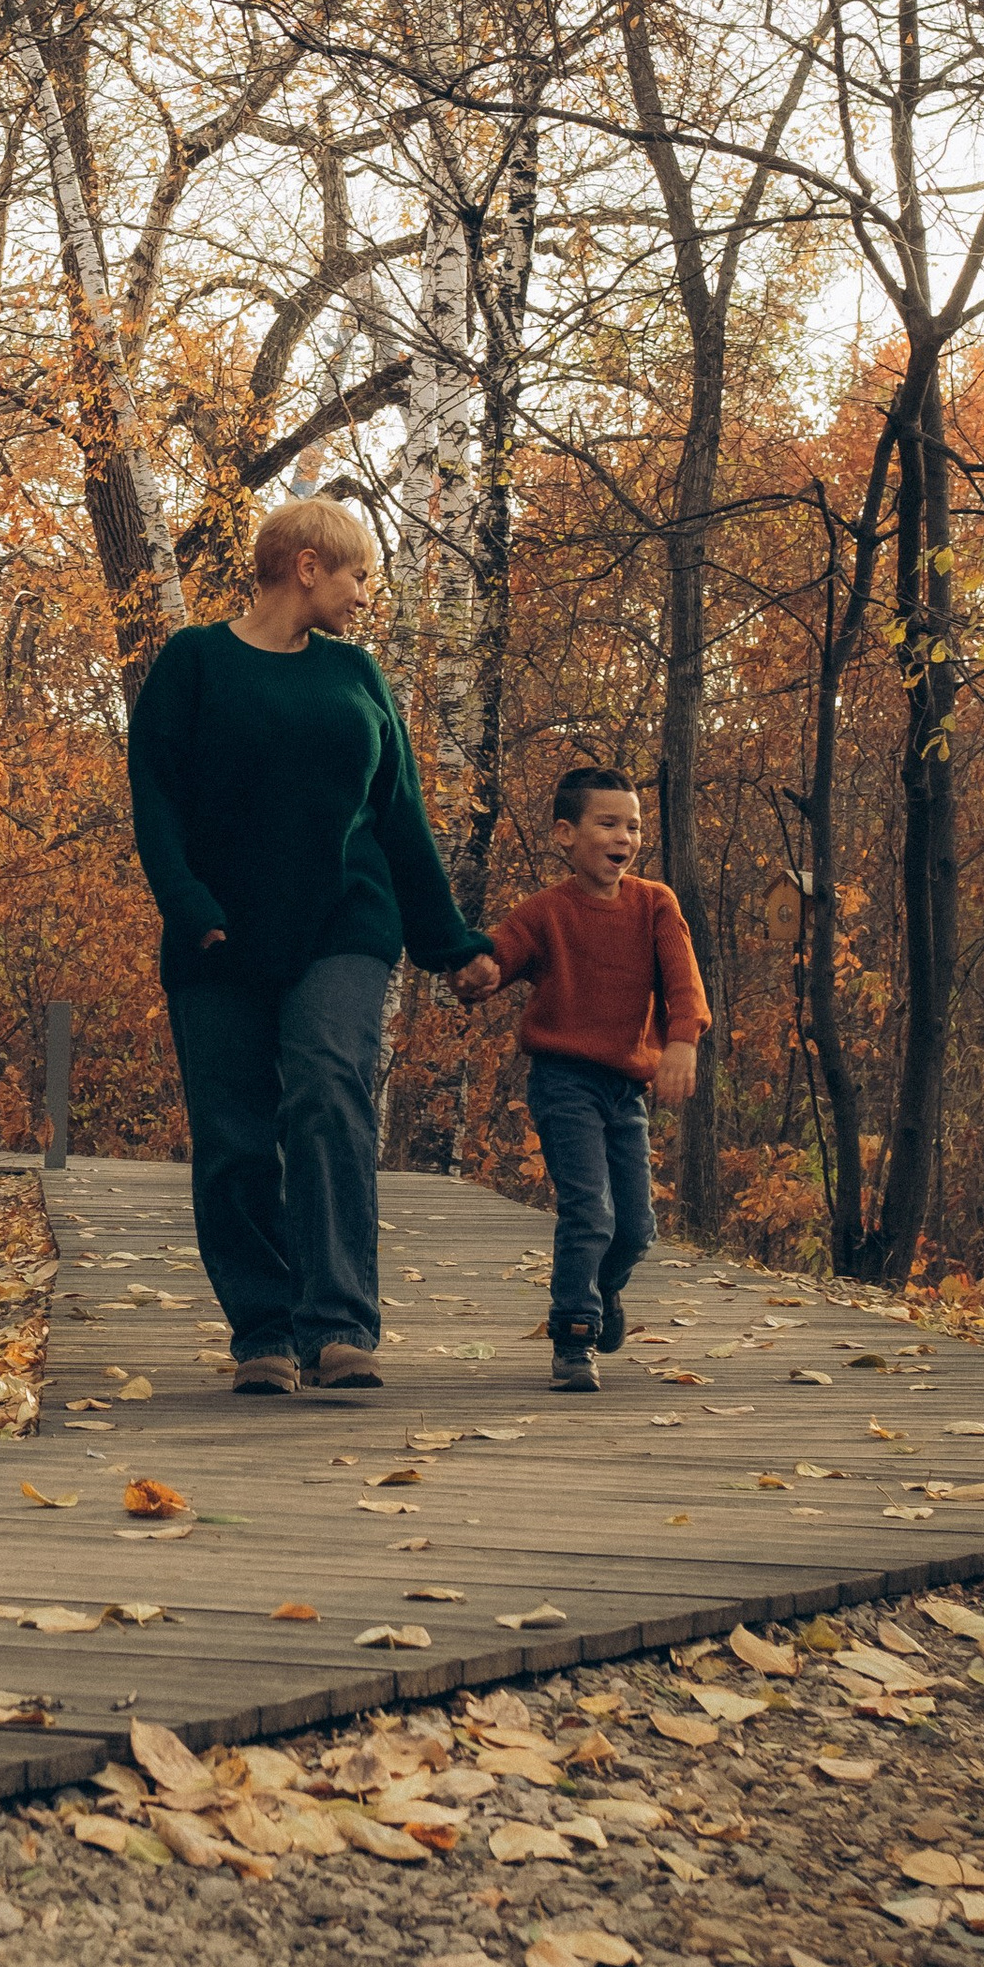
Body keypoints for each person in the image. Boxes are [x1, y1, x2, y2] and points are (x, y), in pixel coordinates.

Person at [126, 496, 495, 1393]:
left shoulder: (356, 674)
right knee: (234, 1134)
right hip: (218, 932)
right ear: (306, 566)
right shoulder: (195, 662)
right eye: (358, 575)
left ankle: (337, 1324)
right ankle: (264, 1330)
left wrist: (449, 943)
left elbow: (401, 816)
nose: (365, 595)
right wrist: (186, 902)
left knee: (329, 1089)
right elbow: (155, 795)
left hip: (344, 922)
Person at [469, 766, 710, 1393]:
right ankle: (574, 1335)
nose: (624, 837)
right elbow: (499, 955)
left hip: (625, 1088)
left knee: (635, 1229)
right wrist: (476, 971)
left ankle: (602, 1290)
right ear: (565, 834)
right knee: (589, 1211)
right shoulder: (545, 912)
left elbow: (682, 980)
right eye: (608, 824)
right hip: (563, 1080)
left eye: (633, 826)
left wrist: (682, 1040)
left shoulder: (655, 904)